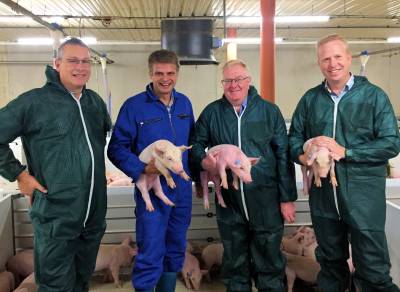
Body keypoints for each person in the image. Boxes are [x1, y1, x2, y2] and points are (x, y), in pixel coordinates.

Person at [288, 34, 400, 292]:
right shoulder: (310, 99)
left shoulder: (373, 97)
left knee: (372, 268)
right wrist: (303, 156)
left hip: (364, 197)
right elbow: (293, 138)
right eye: (326, 58)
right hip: (324, 197)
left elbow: (392, 143)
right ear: (319, 63)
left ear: (349, 58)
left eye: (338, 57)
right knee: (329, 266)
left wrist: (346, 152)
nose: (332, 63)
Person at [0, 37, 111, 291]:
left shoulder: (94, 103)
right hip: (55, 216)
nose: (80, 67)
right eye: (73, 61)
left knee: (83, 281)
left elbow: (100, 148)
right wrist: (19, 175)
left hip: (93, 216)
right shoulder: (34, 102)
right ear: (56, 63)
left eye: (85, 61)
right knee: (55, 286)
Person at [190, 59, 297, 291]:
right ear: (222, 84)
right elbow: (195, 145)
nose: (233, 85)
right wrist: (204, 160)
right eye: (228, 80)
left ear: (248, 81)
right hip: (230, 202)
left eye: (238, 79)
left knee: (269, 261)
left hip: (266, 199)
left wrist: (287, 198)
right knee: (235, 263)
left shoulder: (269, 111)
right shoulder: (212, 113)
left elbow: (283, 156)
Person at [107, 49, 195, 292]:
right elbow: (116, 148)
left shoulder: (185, 103)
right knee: (151, 248)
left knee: (176, 247)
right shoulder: (134, 106)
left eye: (170, 73)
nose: (165, 78)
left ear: (177, 73)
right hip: (152, 191)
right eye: (159, 73)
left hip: (181, 190)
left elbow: (191, 145)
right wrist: (142, 167)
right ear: (150, 73)